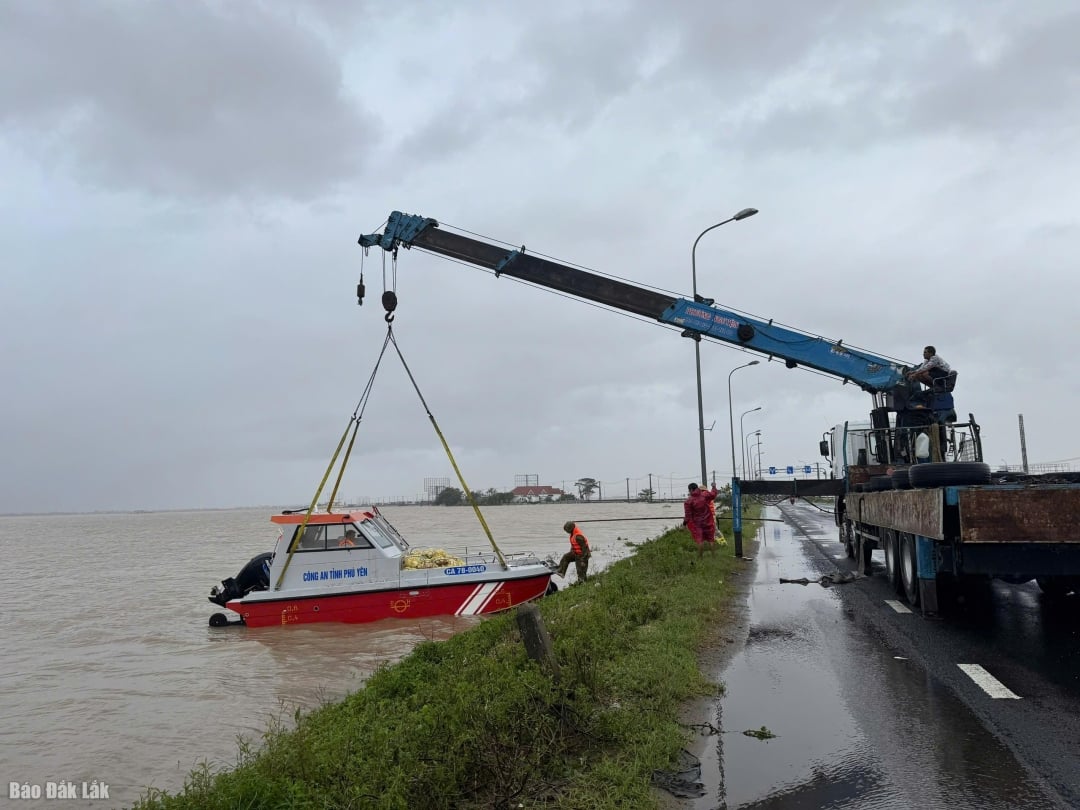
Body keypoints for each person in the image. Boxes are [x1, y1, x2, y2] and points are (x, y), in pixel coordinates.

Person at [684, 482, 719, 559]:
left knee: (700, 540)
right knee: (711, 539)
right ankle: (714, 557)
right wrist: (713, 486)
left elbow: (687, 515)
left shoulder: (688, 501)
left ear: (690, 490)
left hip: (697, 524)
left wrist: (684, 524)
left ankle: (700, 558)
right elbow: (714, 494)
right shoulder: (705, 495)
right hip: (708, 521)